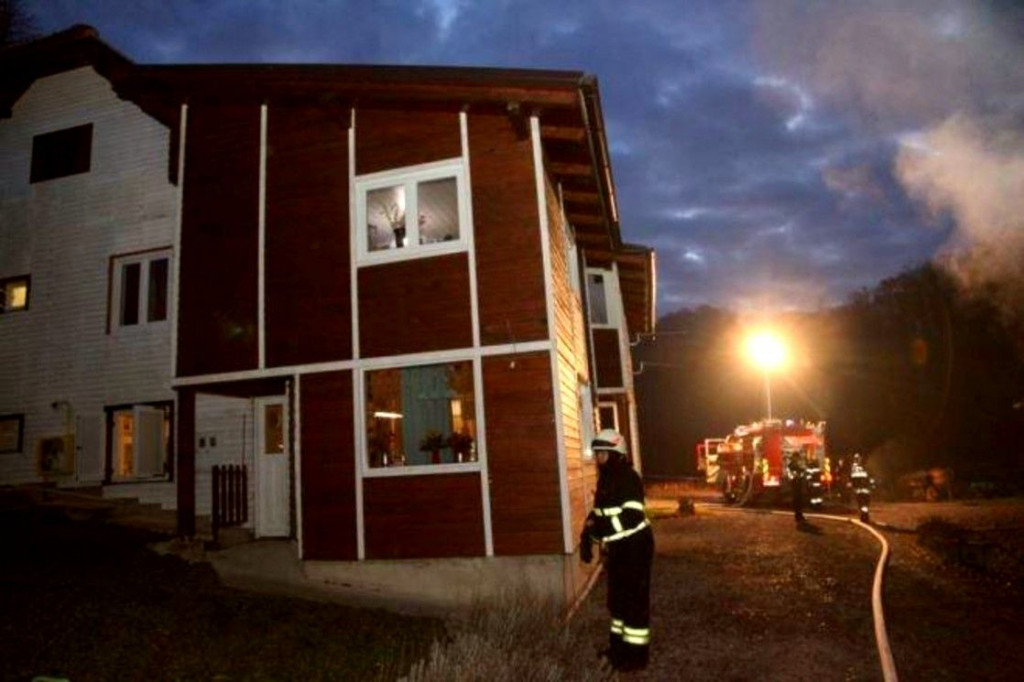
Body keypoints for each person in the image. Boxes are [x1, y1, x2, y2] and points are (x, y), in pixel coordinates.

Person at [579, 429, 654, 672]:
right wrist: (587, 534)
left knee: (633, 603)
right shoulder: (607, 478)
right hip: (620, 548)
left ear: (615, 454)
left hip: (635, 548)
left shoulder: (628, 478)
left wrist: (600, 531)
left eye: (602, 453)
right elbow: (601, 512)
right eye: (597, 453)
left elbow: (632, 516)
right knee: (618, 602)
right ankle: (618, 650)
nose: (598, 458)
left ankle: (635, 658)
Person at [850, 453, 872, 522]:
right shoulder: (863, 466)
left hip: (861, 488)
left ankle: (864, 515)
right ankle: (864, 515)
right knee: (864, 503)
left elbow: (853, 478)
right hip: (863, 488)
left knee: (862, 503)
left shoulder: (855, 467)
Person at [788, 449, 806, 523]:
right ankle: (798, 516)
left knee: (800, 500)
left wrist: (802, 473)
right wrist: (797, 475)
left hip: (798, 484)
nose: (797, 459)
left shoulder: (796, 465)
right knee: (796, 501)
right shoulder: (791, 465)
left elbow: (801, 472)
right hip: (795, 484)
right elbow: (791, 475)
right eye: (796, 457)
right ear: (794, 457)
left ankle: (800, 515)